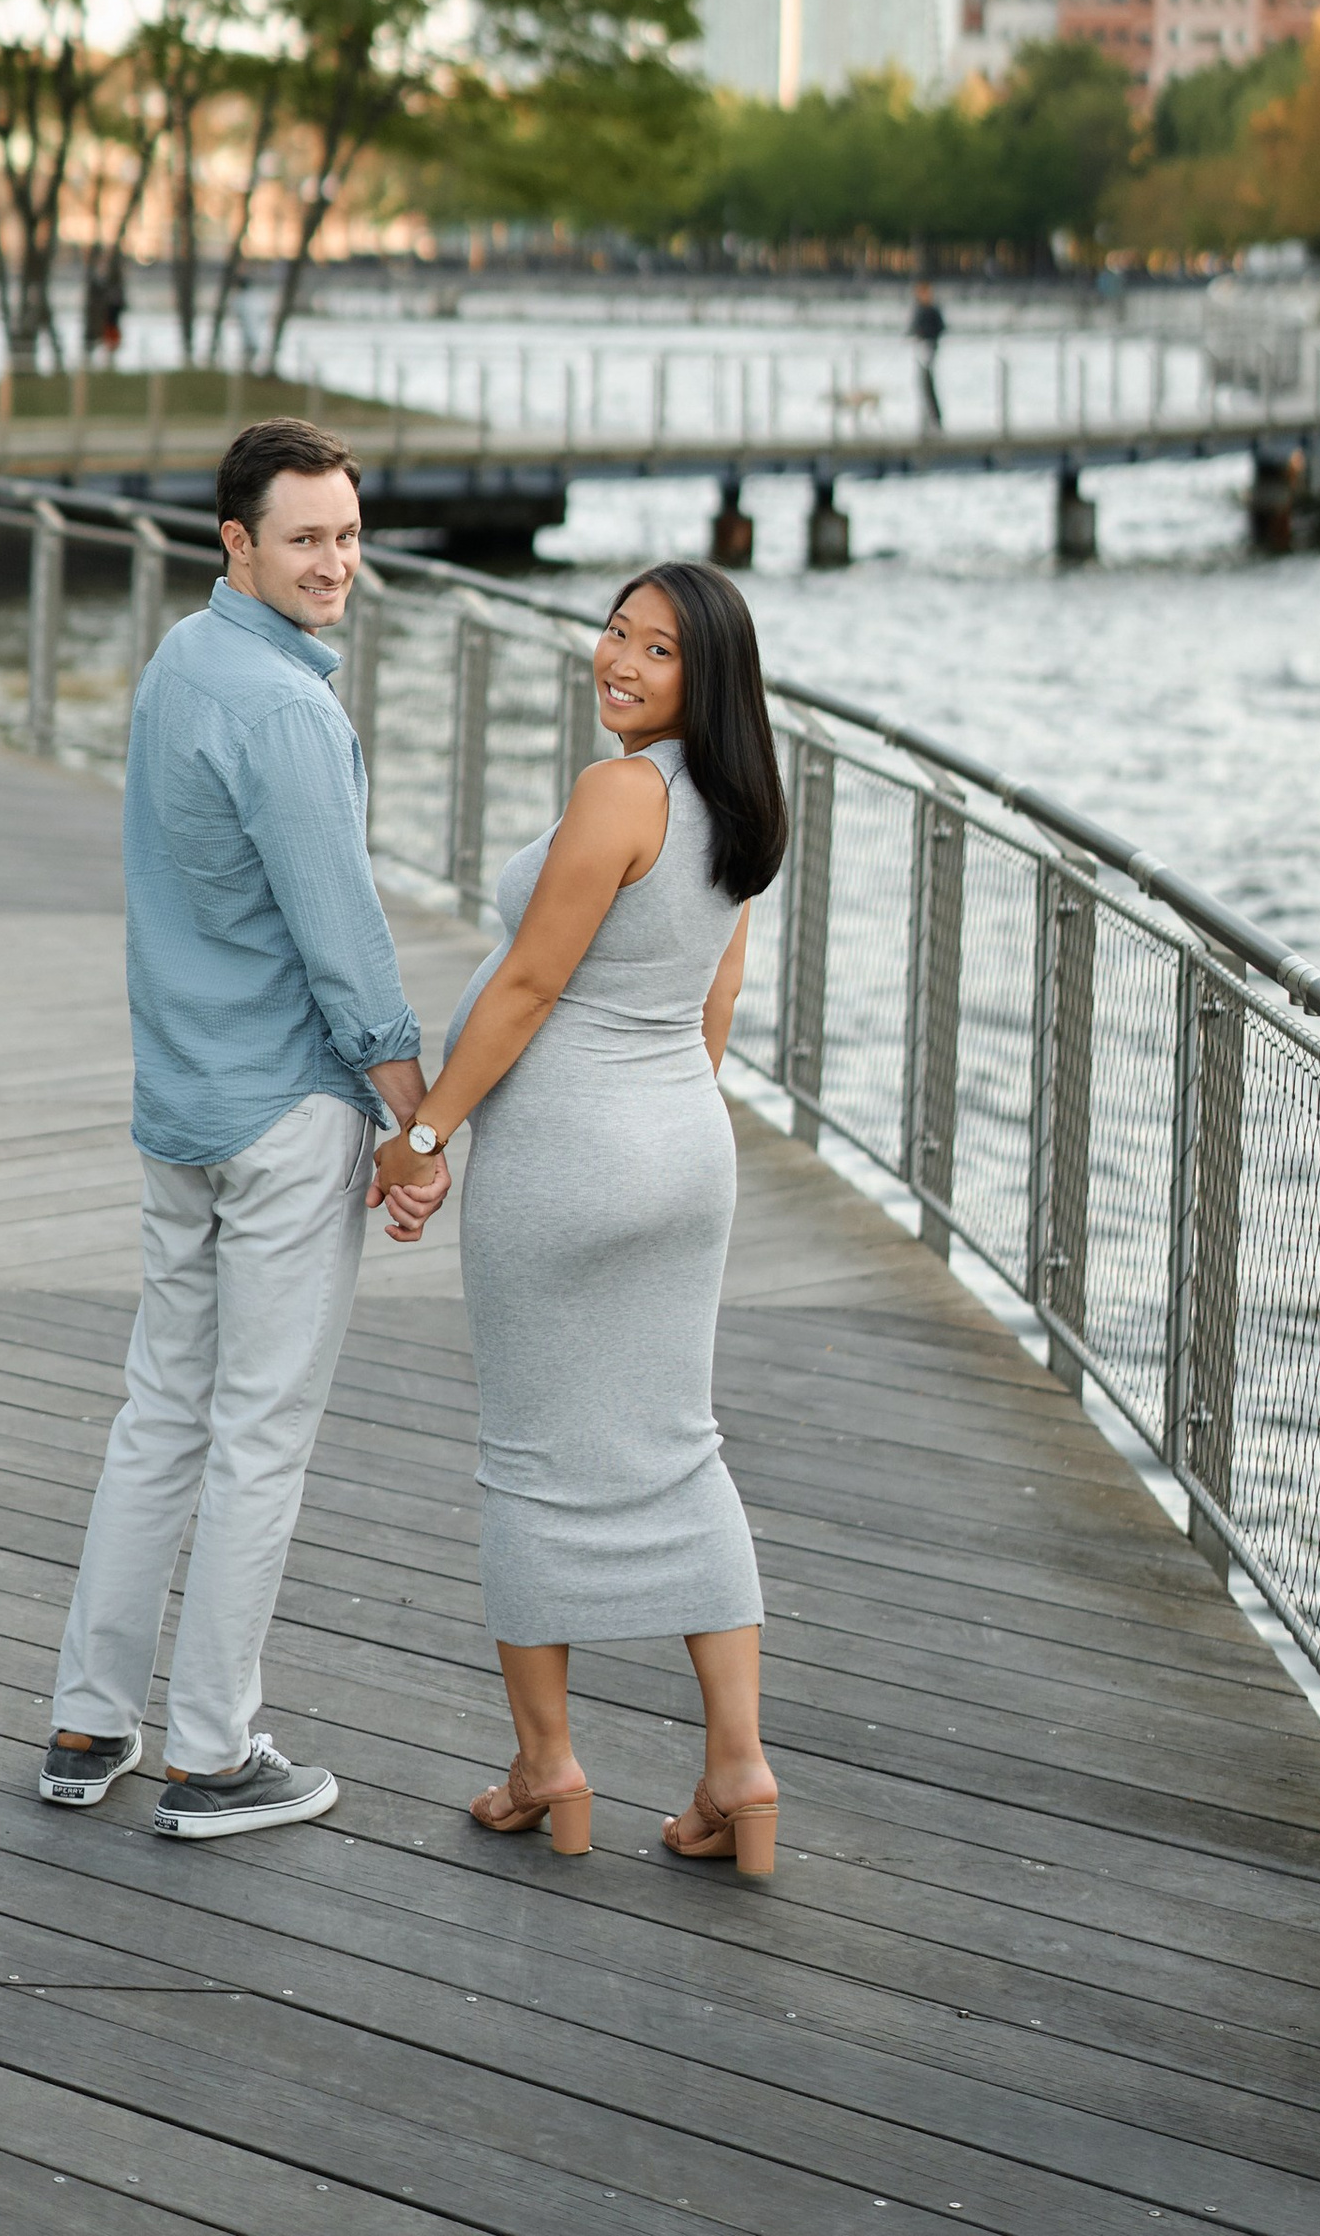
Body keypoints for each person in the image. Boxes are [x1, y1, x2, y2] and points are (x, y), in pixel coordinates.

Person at [40, 418, 448, 1841]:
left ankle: (91, 1720)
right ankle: (216, 1753)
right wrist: (417, 1120)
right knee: (258, 1432)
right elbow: (346, 945)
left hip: (179, 1105)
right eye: (307, 539)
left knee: (162, 1411)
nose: (337, 562)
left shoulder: (179, 664)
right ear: (238, 543)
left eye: (347, 534)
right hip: (279, 1114)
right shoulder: (287, 710)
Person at [373, 560, 789, 1880]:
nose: (619, 660)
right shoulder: (741, 804)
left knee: (532, 1450)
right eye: (615, 633)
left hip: (567, 1154)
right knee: (679, 1444)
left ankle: (547, 1765)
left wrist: (424, 1134)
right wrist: (659, 1137)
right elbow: (715, 1001)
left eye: (656, 650)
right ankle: (738, 1772)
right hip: (684, 1148)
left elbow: (535, 983)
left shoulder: (619, 793)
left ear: (701, 677)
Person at [909, 279, 946, 430]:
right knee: (922, 385)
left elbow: (939, 328)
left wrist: (927, 337)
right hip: (921, 351)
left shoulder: (931, 310)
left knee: (928, 385)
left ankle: (934, 420)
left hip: (929, 350)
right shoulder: (919, 310)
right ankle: (926, 419)